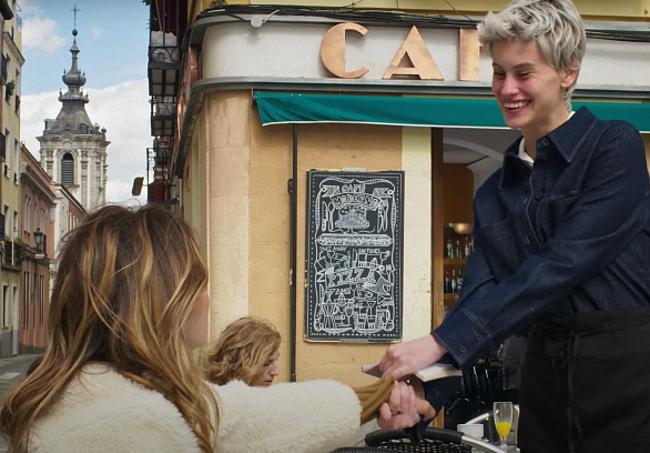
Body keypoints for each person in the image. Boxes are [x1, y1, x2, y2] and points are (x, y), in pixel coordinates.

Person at [378, 1, 650, 452]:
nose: (507, 89)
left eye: (523, 73)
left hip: (630, 385)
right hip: (545, 387)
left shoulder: (612, 147)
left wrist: (441, 341)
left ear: (568, 72)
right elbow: (479, 297)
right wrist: (430, 393)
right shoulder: (493, 193)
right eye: (498, 73)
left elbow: (564, 263)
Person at [0, 205, 424, 453]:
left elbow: (245, 414)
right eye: (197, 281)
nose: (208, 295)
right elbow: (233, 418)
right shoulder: (138, 425)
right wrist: (385, 394)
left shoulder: (88, 396)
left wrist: (377, 405)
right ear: (166, 302)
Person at [204, 316, 281, 386]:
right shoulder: (212, 398)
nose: (275, 372)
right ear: (239, 363)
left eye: (276, 359)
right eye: (266, 363)